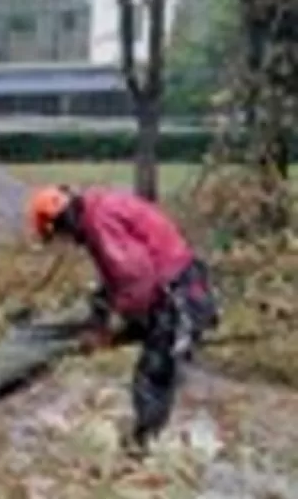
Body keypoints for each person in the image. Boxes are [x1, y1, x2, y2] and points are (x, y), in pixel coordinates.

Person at [27, 184, 219, 454]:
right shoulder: (97, 210)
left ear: (62, 221)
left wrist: (112, 329)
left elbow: (135, 279)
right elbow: (113, 276)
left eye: (60, 233)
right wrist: (100, 318)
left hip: (179, 297)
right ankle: (152, 436)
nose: (65, 239)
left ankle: (145, 447)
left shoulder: (98, 223)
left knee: (151, 375)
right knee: (156, 360)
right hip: (175, 285)